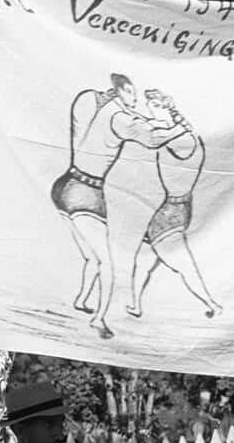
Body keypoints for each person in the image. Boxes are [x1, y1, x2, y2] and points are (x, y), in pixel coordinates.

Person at [52, 74, 192, 338]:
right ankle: (99, 319)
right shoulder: (119, 117)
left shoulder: (95, 104)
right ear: (122, 91)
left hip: (65, 184)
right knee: (106, 261)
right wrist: (178, 128)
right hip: (86, 193)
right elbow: (150, 138)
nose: (136, 101)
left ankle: (82, 300)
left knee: (92, 255)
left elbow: (138, 123)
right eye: (133, 95)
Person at [126, 89, 219, 319]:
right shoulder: (181, 133)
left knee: (182, 264)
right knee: (144, 258)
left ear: (165, 108)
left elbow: (155, 137)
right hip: (178, 206)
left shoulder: (182, 138)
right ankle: (136, 305)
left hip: (172, 210)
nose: (150, 111)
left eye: (154, 107)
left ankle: (212, 304)